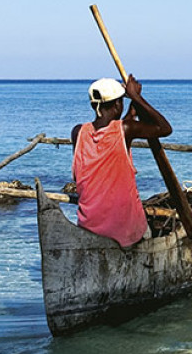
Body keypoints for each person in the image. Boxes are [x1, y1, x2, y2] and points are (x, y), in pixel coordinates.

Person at [71, 75, 172, 247]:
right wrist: (137, 98)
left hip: (88, 228)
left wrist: (132, 111)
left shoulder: (78, 132)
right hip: (125, 231)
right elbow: (165, 128)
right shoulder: (125, 130)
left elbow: (115, 132)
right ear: (118, 105)